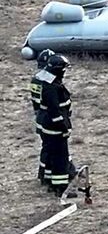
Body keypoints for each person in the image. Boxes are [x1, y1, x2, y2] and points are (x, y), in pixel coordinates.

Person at [34, 53, 73, 195]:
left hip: (48, 127)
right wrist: (64, 128)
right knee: (60, 159)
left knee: (51, 155)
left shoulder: (48, 83)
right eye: (63, 69)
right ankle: (61, 188)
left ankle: (50, 182)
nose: (64, 72)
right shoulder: (52, 87)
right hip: (55, 129)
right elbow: (55, 112)